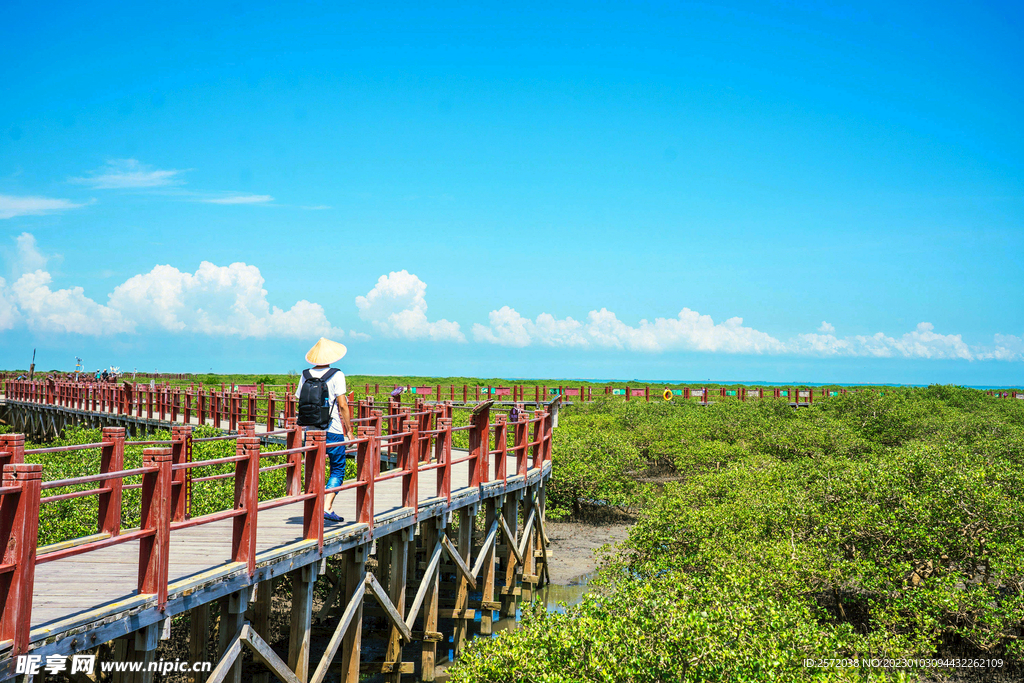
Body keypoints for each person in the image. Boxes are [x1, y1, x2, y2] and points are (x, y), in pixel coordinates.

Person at [295, 337, 352, 523]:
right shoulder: (337, 375)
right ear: (332, 357)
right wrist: (349, 430)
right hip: (333, 429)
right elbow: (342, 405)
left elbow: (300, 400)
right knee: (337, 468)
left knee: (313, 469)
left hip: (311, 431)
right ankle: (327, 507)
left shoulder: (305, 374)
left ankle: (312, 508)